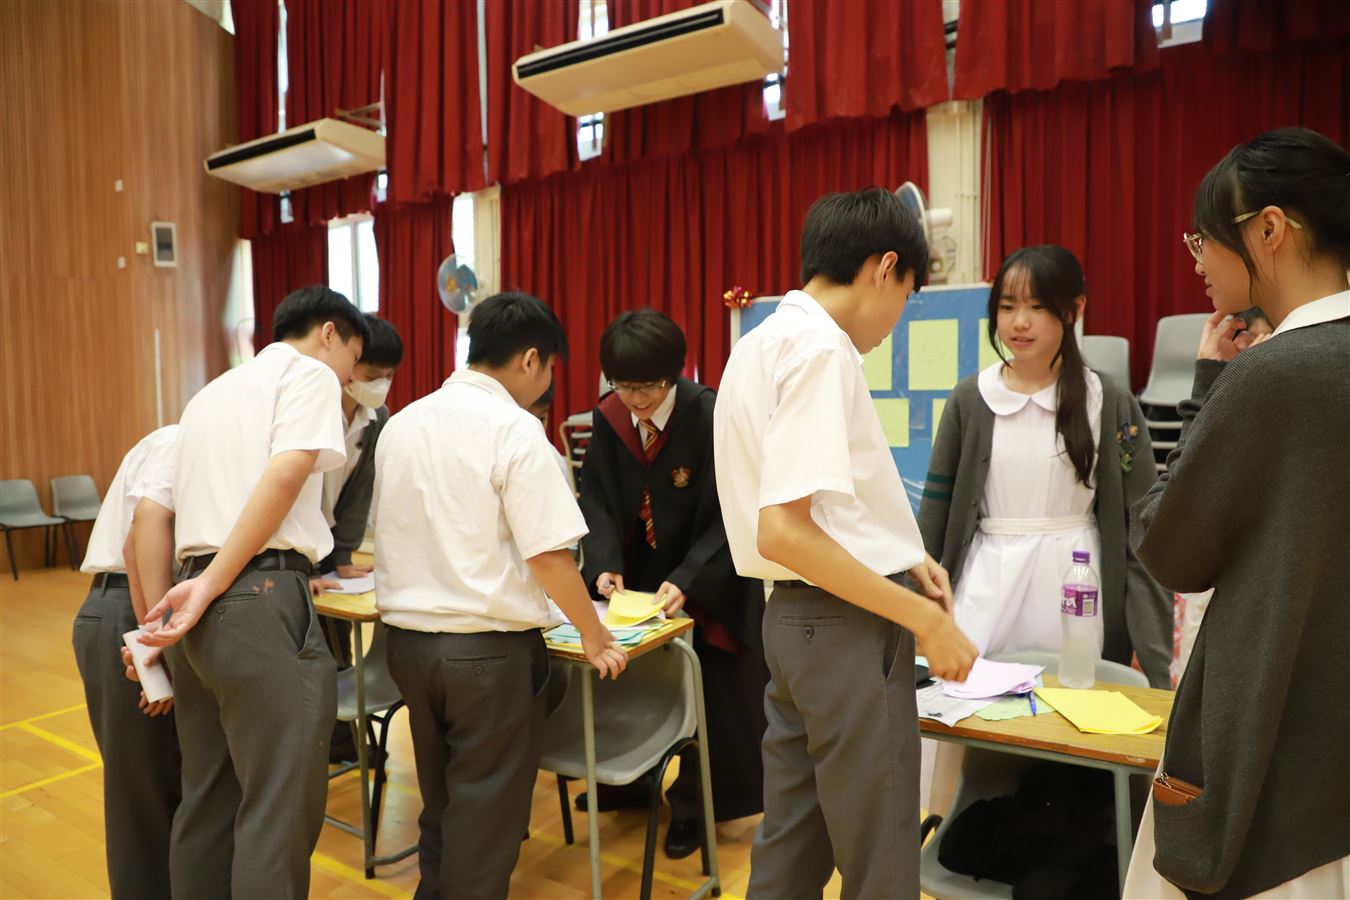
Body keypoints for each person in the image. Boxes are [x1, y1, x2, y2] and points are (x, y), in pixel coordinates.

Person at [713, 186, 977, 898]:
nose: (898, 318)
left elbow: (812, 513)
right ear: (884, 268)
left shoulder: (757, 344)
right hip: (844, 628)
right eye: (908, 296)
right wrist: (923, 619)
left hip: (790, 622)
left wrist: (906, 556)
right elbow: (785, 529)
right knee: (881, 860)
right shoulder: (822, 351)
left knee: (792, 849)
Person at [1123, 127, 1350, 898]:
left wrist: (1210, 391)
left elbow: (1168, 545)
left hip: (1275, 768)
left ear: (1269, 229)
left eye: (1203, 237)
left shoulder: (1273, 375)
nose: (1196, 259)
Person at [373, 292, 628, 899]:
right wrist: (594, 636)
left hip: (406, 646)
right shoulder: (515, 430)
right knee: (485, 823)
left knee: (442, 805)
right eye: (549, 369)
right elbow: (549, 555)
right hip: (485, 656)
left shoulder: (402, 423)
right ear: (531, 359)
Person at [139, 285, 369, 899]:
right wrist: (216, 583)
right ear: (328, 333)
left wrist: (189, 595)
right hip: (257, 594)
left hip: (197, 600)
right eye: (353, 359)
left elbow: (160, 513)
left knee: (207, 801)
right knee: (277, 813)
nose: (352, 376)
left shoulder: (209, 394)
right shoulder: (310, 375)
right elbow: (287, 474)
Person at [918, 245, 1172, 688]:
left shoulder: (1108, 400)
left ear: (1074, 309)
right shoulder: (971, 399)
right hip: (986, 587)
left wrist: (1155, 662)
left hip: (1075, 588)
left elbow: (1143, 533)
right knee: (973, 707)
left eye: (1037, 306)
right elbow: (933, 522)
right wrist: (915, 626)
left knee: (1073, 708)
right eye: (1007, 307)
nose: (1020, 321)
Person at [576, 309, 767, 858]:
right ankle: (630, 782)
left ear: (675, 373)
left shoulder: (708, 413)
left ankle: (695, 806)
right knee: (633, 682)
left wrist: (688, 579)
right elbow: (597, 497)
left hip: (708, 574)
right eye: (625, 385)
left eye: (650, 387)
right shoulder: (610, 416)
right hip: (638, 575)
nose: (637, 400)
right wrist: (604, 562)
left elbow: (731, 511)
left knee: (709, 694)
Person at [71, 425, 180, 899]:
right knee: (141, 797)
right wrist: (154, 647)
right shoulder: (179, 441)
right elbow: (137, 544)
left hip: (139, 609)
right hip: (129, 609)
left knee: (164, 786)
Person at [316, 313, 402, 763]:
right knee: (314, 643)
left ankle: (343, 740)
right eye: (372, 374)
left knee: (339, 636)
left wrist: (342, 556)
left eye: (389, 375)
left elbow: (360, 490)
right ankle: (328, 738)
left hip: (330, 537)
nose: (381, 384)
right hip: (297, 540)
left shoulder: (376, 417)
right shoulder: (315, 406)